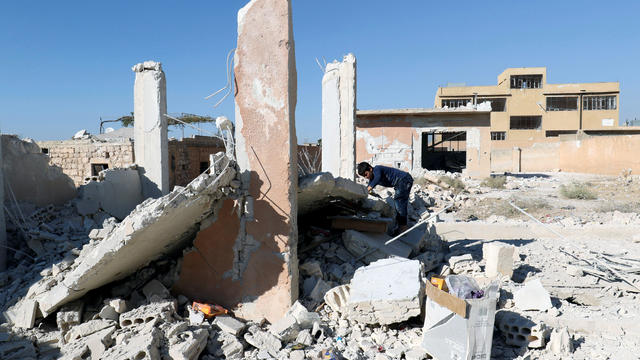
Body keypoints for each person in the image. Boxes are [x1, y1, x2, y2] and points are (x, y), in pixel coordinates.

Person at [357, 162, 413, 234]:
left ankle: (403, 227)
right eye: (363, 176)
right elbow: (369, 186)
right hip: (400, 183)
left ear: (370, 169)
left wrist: (368, 190)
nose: (366, 177)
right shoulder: (372, 178)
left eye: (366, 174)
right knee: (399, 202)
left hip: (404, 179)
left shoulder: (377, 169)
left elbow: (377, 178)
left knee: (399, 201)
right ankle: (400, 225)